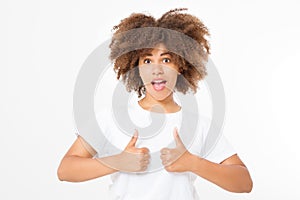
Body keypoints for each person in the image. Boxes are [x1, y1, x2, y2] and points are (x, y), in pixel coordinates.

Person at [57, 8, 253, 200]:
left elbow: (244, 183)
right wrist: (118, 161)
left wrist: (193, 163)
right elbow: (66, 170)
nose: (157, 69)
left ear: (181, 66)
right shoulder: (110, 118)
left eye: (166, 59)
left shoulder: (199, 125)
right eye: (147, 60)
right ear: (136, 68)